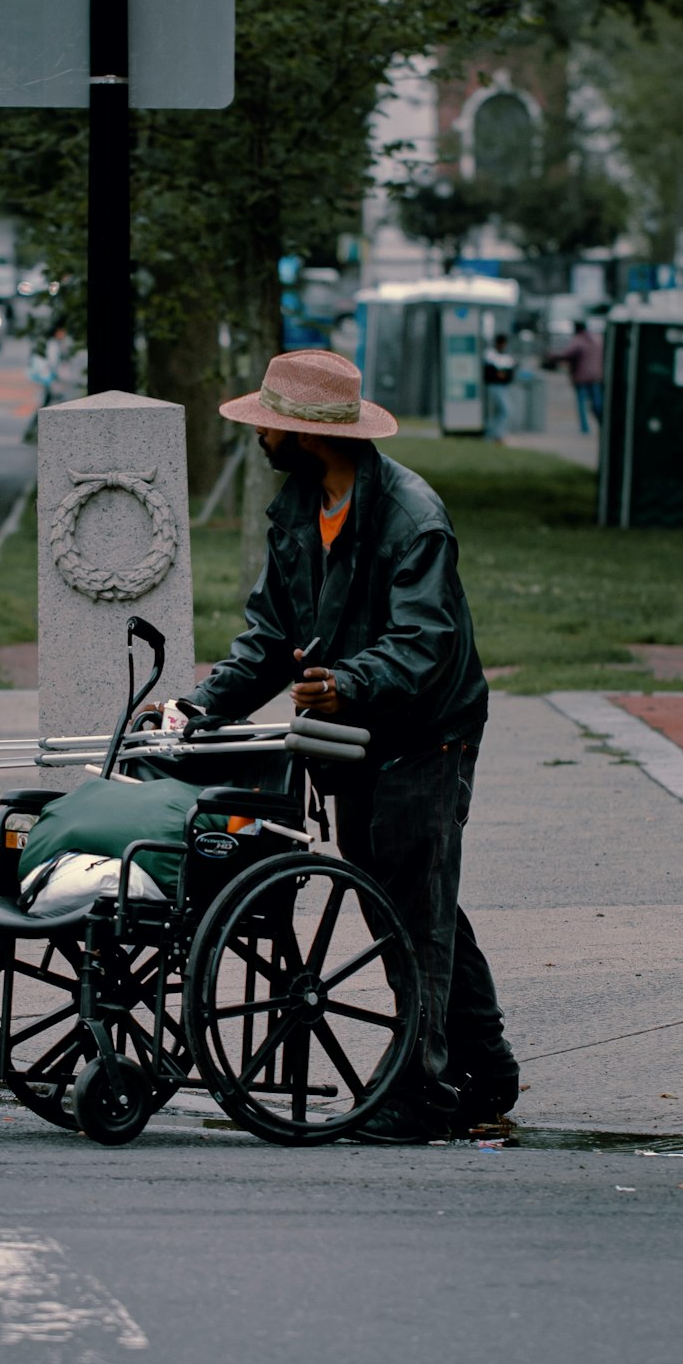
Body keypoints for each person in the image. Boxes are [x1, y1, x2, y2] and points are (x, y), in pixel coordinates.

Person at [178, 348, 520, 1143]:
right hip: (355, 731)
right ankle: (486, 1068)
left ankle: (417, 1092)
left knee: (414, 908)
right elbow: (269, 636)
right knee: (406, 898)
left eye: (269, 425)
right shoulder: (299, 506)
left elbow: (426, 640)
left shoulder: (411, 516)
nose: (258, 436)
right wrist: (198, 708)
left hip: (426, 732)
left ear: (306, 434)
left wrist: (348, 684)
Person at [547, 320, 604, 433]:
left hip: (581, 377)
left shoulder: (578, 340)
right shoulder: (597, 339)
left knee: (581, 403)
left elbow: (567, 354)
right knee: (597, 402)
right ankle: (602, 423)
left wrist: (552, 356)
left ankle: (584, 428)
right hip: (595, 376)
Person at [482, 332, 516, 443]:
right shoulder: (490, 355)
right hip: (493, 386)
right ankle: (495, 434)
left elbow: (509, 374)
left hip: (503, 387)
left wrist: (500, 374)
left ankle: (495, 433)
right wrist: (500, 374)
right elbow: (490, 373)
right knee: (501, 411)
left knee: (501, 411)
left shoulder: (507, 356)